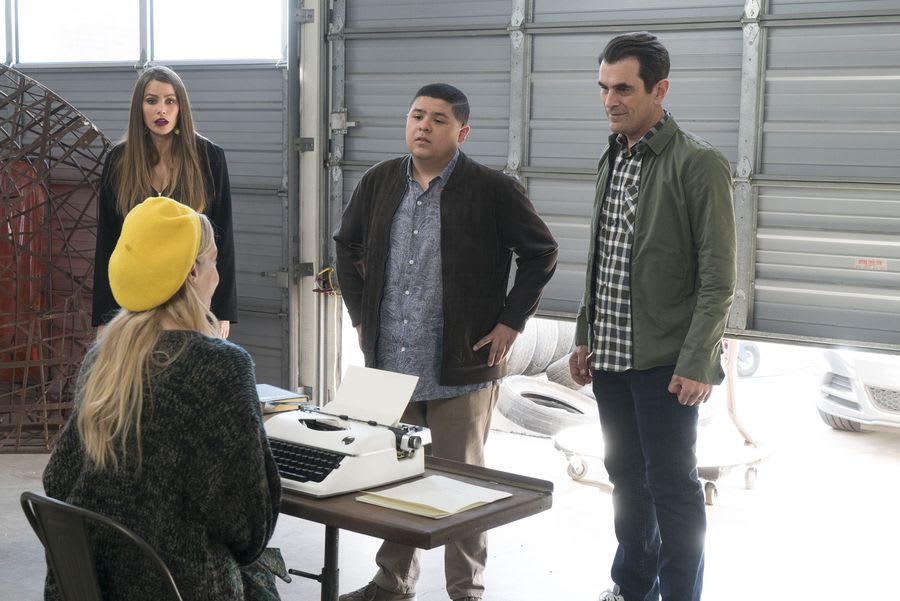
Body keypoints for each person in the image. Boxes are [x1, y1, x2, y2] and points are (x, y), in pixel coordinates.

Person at [334, 83, 558, 601]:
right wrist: (361, 313)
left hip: (461, 366)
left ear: (462, 131)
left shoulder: (492, 189)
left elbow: (541, 252)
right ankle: (392, 582)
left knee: (464, 486)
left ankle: (466, 590)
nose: (424, 126)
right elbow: (347, 246)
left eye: (438, 119)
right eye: (417, 115)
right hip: (391, 364)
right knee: (393, 476)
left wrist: (512, 321)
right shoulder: (379, 181)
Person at [44, 196, 282, 600]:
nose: (218, 277)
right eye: (214, 262)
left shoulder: (103, 358)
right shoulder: (221, 366)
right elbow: (248, 529)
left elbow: (57, 480)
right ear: (192, 272)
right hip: (186, 589)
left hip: (94, 588)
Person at [568, 32, 736, 601]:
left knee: (671, 486)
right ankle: (630, 588)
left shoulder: (698, 163)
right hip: (611, 358)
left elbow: (718, 278)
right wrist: (584, 336)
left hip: (667, 364)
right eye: (603, 88)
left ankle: (680, 595)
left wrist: (698, 361)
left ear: (659, 90)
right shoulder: (613, 157)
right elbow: (603, 257)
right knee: (625, 481)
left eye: (623, 89)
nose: (610, 100)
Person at [92, 65, 237, 338]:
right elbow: (108, 243)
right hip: (136, 304)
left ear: (181, 107)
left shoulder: (209, 158)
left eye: (170, 101)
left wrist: (221, 309)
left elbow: (223, 237)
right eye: (152, 101)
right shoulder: (119, 161)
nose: (161, 110)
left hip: (190, 303)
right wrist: (103, 316)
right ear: (140, 107)